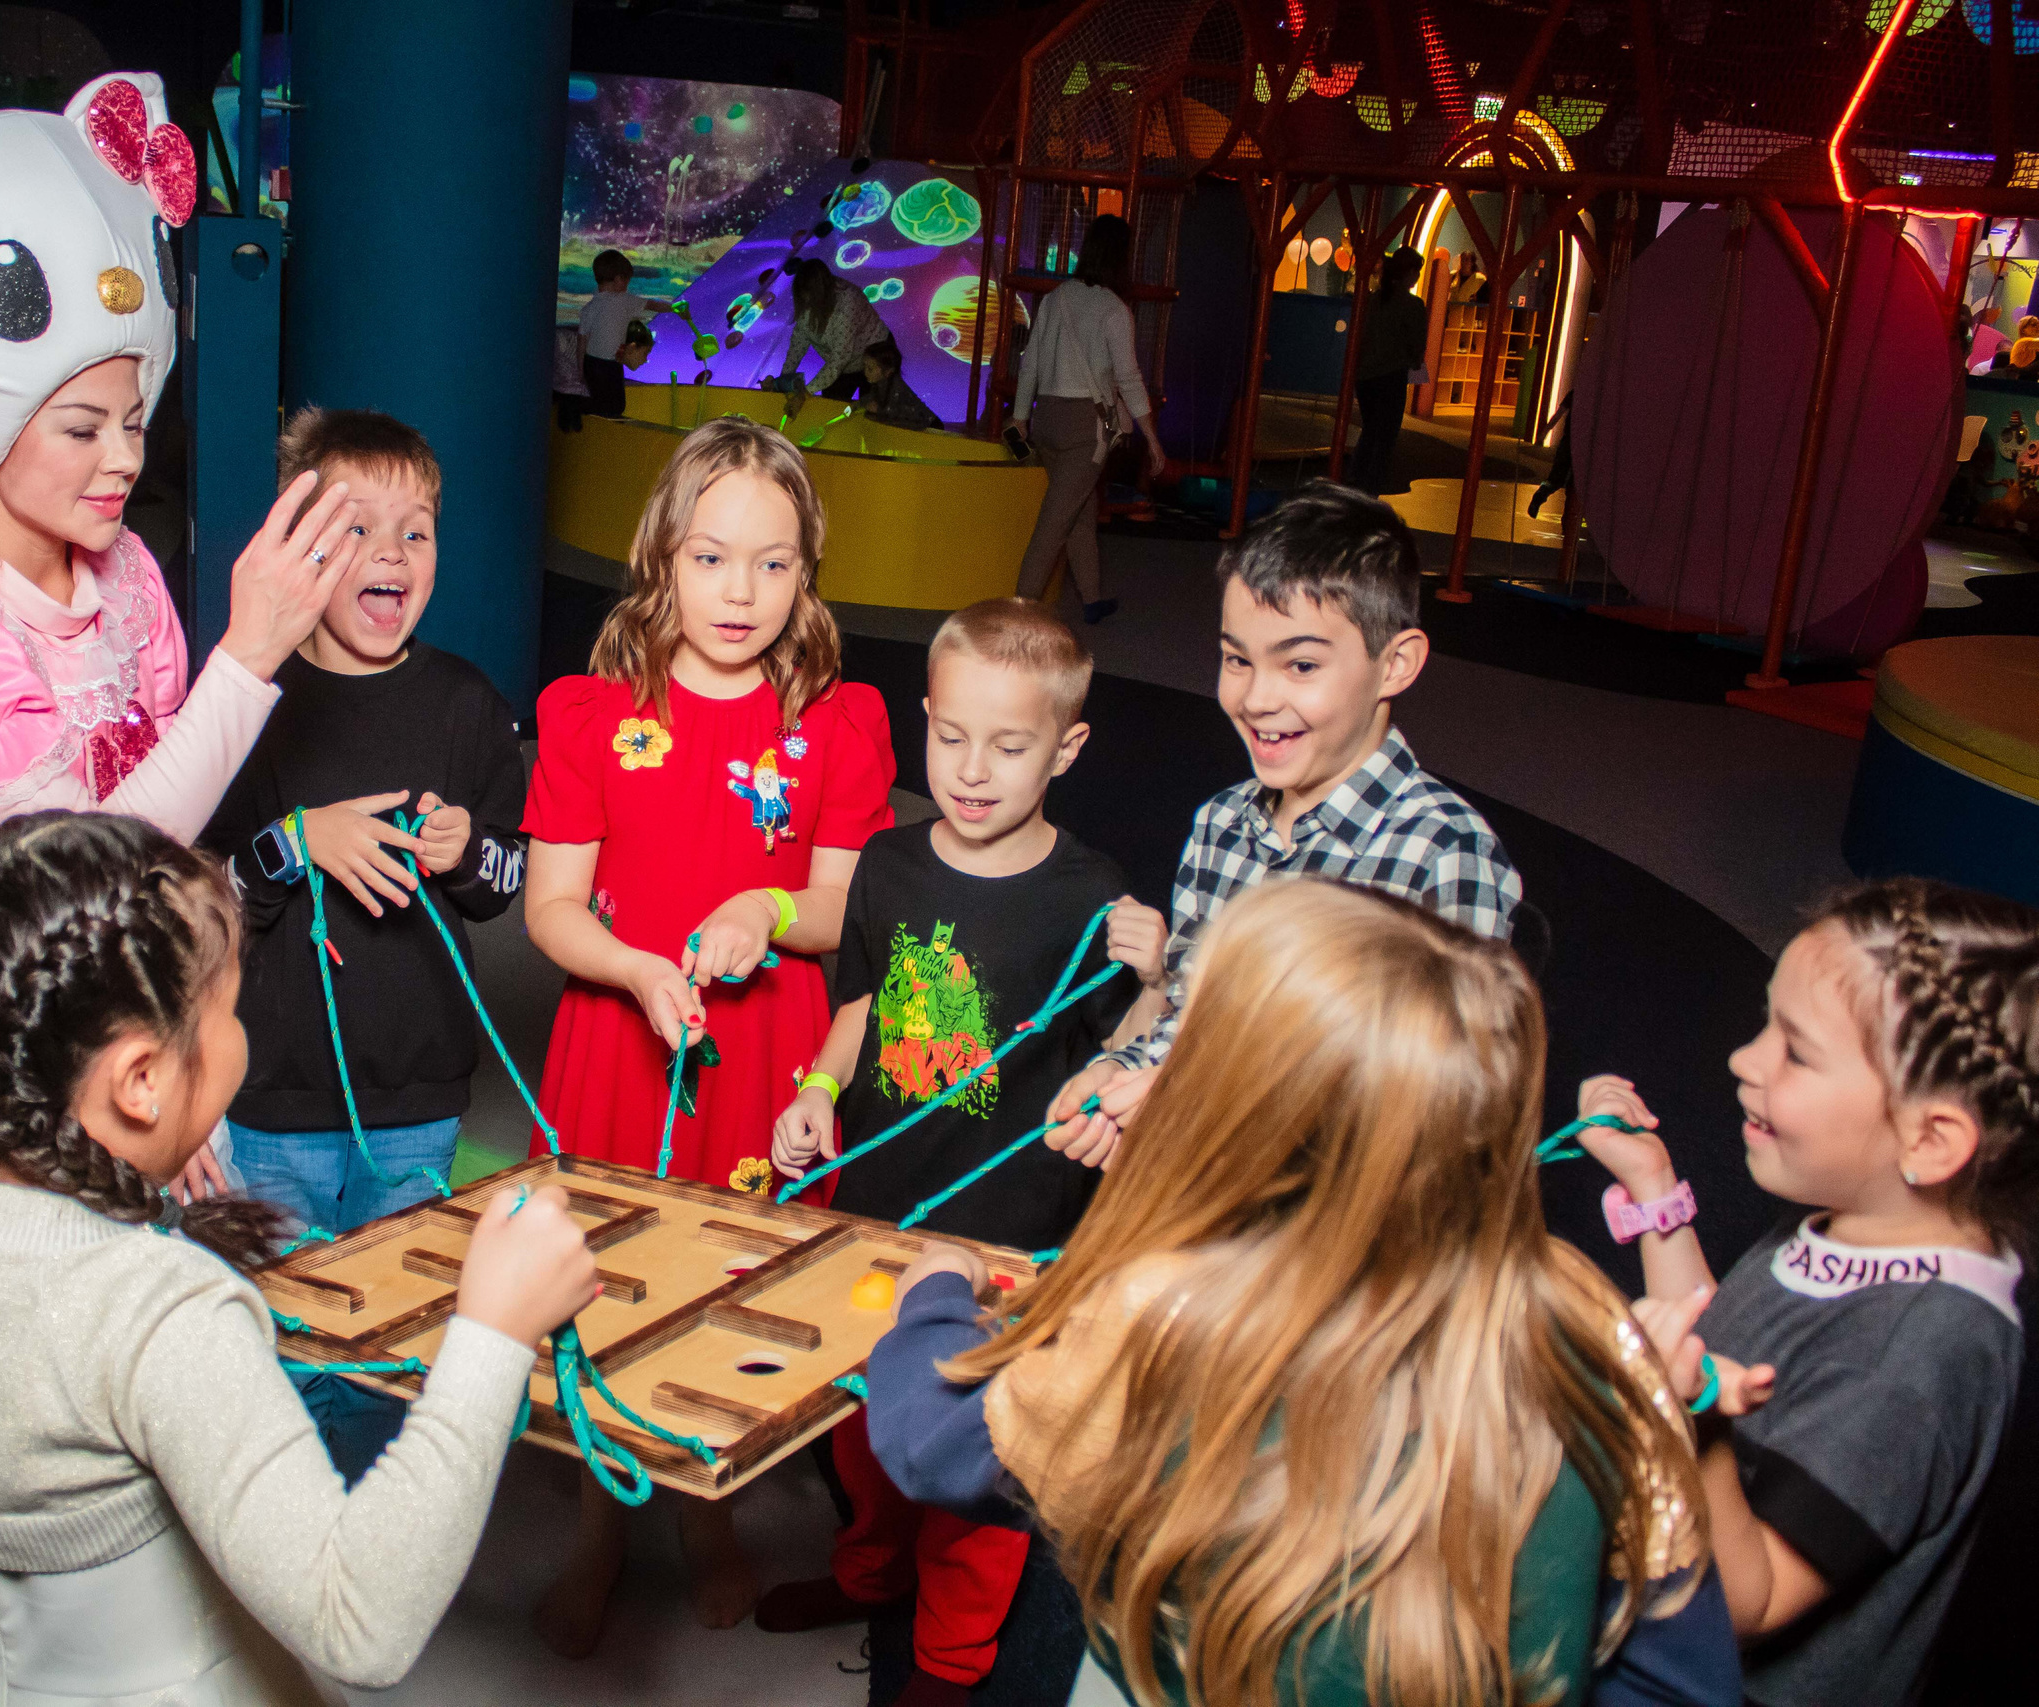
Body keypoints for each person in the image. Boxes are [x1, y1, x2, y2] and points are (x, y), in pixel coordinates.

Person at [0, 811, 603, 1705]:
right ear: (142, 1080)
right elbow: (361, 1619)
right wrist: (491, 1331)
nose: (237, 1034)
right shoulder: (165, 1310)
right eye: (227, 1012)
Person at [868, 879, 1740, 1707]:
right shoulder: (1583, 1313)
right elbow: (1676, 1665)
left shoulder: (1166, 1311)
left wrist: (938, 1292)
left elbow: (931, 1442)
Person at [0, 69, 366, 942]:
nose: (125, 458)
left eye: (132, 418)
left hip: (110, 985)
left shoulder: (125, 574)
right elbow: (88, 869)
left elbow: (168, 791)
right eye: (81, 431)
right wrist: (250, 652)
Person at [522, 413, 896, 1656]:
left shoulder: (839, 722)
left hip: (767, 1057)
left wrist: (767, 904)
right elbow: (552, 909)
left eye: (773, 561)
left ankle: (705, 1506)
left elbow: (849, 905)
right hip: (620, 1047)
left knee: (739, 1288)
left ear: (807, 571)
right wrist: (634, 966)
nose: (740, 591)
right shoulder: (586, 713)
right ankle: (597, 1519)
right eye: (711, 556)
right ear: (660, 558)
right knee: (607, 1288)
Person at [759, 600, 1166, 1705]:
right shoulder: (887, 868)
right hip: (877, 1212)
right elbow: (862, 1009)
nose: (972, 770)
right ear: (924, 718)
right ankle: (866, 1575)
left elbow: (1123, 1073)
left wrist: (1158, 982)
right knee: (860, 1435)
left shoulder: (1091, 896)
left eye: (1011, 744)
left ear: (1067, 749)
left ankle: (944, 1669)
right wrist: (815, 1090)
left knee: (974, 1482)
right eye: (951, 738)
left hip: (1012, 1241)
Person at [1568, 877, 2036, 1705]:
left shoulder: (1924, 1354)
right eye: (1764, 1025)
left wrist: (1697, 1423)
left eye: (1796, 1049)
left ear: (1930, 1138)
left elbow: (1752, 1603)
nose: (1743, 1060)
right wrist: (1653, 1185)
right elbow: (1722, 1336)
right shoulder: (1851, 1222)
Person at [1046, 482, 1522, 1167]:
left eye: (1301, 664)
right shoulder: (1220, 825)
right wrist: (1121, 1072)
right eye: (1238, 658)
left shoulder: (1443, 854)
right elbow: (1190, 1021)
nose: (1257, 697)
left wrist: (1195, 1104)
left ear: (1396, 663)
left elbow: (1447, 1118)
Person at [202, 410, 527, 1239]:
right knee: (280, 1322)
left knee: (393, 1321)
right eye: (357, 531)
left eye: (415, 533)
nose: (391, 552)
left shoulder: (467, 704)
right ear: (303, 547)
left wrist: (468, 852)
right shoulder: (247, 702)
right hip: (273, 1101)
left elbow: (507, 884)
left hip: (420, 1098)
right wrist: (295, 843)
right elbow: (210, 901)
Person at [1011, 215, 1168, 625]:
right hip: (1086, 429)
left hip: (1047, 421)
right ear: (1121, 257)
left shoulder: (1055, 298)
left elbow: (1030, 366)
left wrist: (1020, 418)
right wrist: (1151, 437)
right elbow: (1129, 378)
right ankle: (1018, 613)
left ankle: (1093, 599)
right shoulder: (1114, 310)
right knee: (1054, 525)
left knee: (1079, 509)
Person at [1346, 247, 1429, 497]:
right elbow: (1416, 345)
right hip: (1391, 376)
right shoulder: (1412, 305)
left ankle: (1354, 485)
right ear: (1411, 273)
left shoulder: (1374, 300)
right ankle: (1369, 490)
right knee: (1384, 437)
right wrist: (1415, 363)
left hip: (1366, 377)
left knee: (1371, 431)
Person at [777, 258, 893, 403]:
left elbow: (839, 358)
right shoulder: (806, 303)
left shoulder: (847, 304)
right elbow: (798, 344)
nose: (808, 303)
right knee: (830, 405)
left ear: (822, 292)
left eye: (812, 298)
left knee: (872, 412)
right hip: (843, 366)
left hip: (875, 358)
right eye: (803, 297)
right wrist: (782, 381)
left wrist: (806, 392)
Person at [578, 248, 659, 418]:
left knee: (605, 402)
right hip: (607, 364)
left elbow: (582, 340)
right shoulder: (624, 300)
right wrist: (674, 309)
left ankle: (582, 412)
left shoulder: (590, 308)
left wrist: (580, 368)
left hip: (594, 363)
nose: (627, 286)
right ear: (618, 280)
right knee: (615, 405)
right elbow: (652, 304)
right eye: (626, 281)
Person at [858, 336, 942, 433]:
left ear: (888, 371)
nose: (865, 373)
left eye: (870, 369)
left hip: (928, 430)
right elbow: (873, 399)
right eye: (864, 367)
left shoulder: (900, 387)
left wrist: (881, 410)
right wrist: (860, 403)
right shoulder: (879, 384)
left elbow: (912, 413)